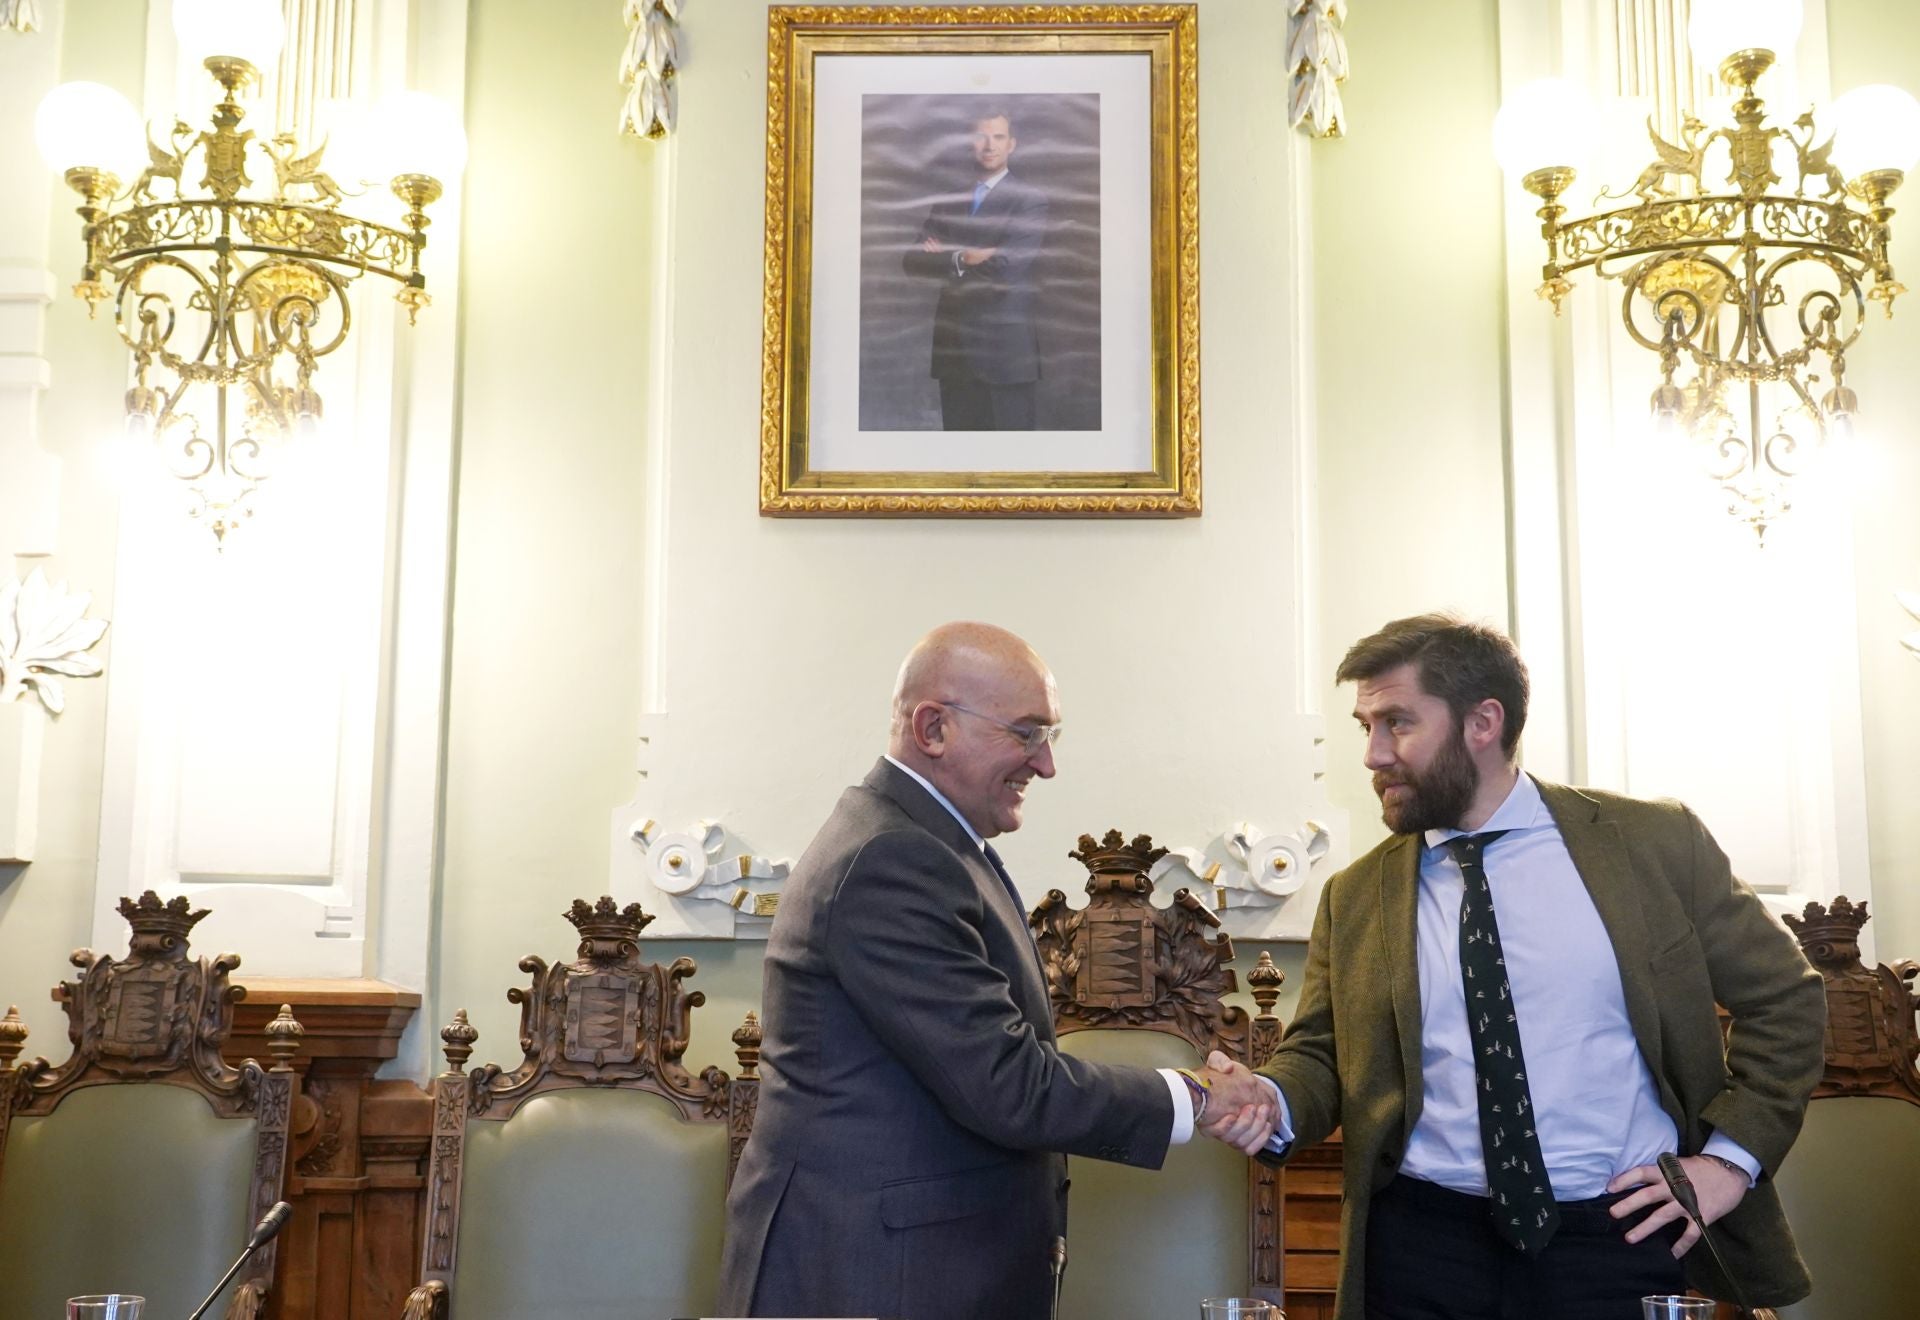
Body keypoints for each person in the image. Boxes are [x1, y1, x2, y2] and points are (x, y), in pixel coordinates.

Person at [1206, 614, 1825, 1320]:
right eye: (1365, 728)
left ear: (1483, 721)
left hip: (1615, 1237)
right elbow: (1320, 1053)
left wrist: (1729, 1161)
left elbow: (1788, 1000)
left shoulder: (1651, 844)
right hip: (1418, 1247)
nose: (1374, 754)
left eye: (1397, 723)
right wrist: (1269, 1096)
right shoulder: (1356, 896)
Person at [716, 621, 1271, 1320]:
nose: (1045, 765)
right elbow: (1006, 1085)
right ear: (933, 727)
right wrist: (1194, 1097)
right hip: (874, 1277)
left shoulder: (929, 842)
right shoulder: (894, 860)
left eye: (1050, 737)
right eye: (1026, 734)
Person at [901, 109, 1049, 431]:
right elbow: (912, 261)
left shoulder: (1029, 201)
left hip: (1005, 358)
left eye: (998, 137)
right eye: (981, 136)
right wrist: (963, 257)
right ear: (970, 142)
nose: (989, 145)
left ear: (1012, 144)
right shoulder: (949, 201)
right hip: (954, 355)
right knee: (959, 466)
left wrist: (944, 259)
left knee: (1011, 467)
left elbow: (1006, 270)